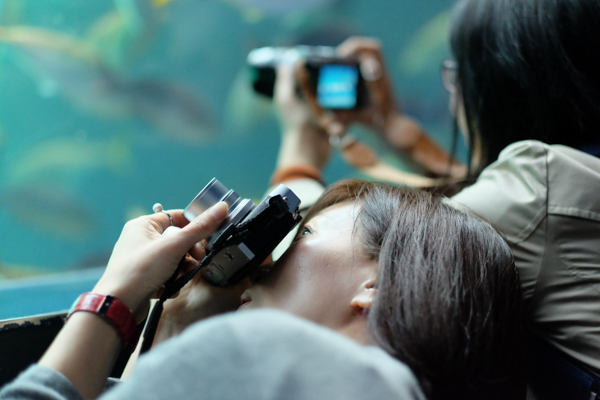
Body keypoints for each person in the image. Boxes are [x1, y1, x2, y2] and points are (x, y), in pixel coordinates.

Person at [268, 0, 600, 398]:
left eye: (457, 73)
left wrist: (298, 153)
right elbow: (486, 193)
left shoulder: (539, 189)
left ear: (502, 85)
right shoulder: (567, 179)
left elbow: (364, 241)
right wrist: (397, 130)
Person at [0, 178, 525, 400]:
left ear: (378, 286)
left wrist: (116, 290)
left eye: (303, 236)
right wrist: (178, 324)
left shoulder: (268, 359)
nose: (265, 264)